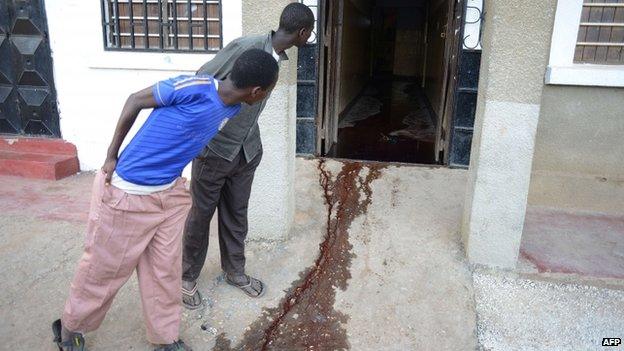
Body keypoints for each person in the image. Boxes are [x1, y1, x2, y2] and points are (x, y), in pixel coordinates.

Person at [52, 49, 279, 351]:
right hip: (129, 192)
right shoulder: (195, 87)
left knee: (164, 271)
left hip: (169, 195)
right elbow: (134, 99)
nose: (265, 97)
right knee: (104, 270)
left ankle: (164, 338)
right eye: (268, 92)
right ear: (257, 91)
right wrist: (110, 155)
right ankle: (69, 329)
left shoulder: (233, 110)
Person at [181, 2, 315, 309]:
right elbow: (201, 79)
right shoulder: (247, 46)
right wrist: (200, 136)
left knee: (236, 215)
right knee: (201, 216)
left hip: (245, 151)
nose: (309, 39)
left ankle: (235, 272)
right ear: (302, 32)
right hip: (214, 150)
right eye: (309, 34)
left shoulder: (277, 57)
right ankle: (186, 278)